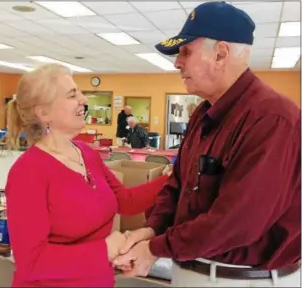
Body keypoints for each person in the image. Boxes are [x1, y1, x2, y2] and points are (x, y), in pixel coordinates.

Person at [113, 2, 301, 287]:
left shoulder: (272, 119)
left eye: (185, 52)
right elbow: (177, 185)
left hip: (243, 280)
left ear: (221, 54)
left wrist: (155, 248)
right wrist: (152, 230)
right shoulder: (203, 114)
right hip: (193, 270)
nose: (177, 62)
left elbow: (238, 222)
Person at [4, 64, 170, 287]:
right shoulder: (28, 172)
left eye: (80, 92)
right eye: (72, 95)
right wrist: (105, 250)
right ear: (43, 112)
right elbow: (30, 262)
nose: (83, 99)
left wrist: (173, 177)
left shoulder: (86, 152)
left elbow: (125, 201)